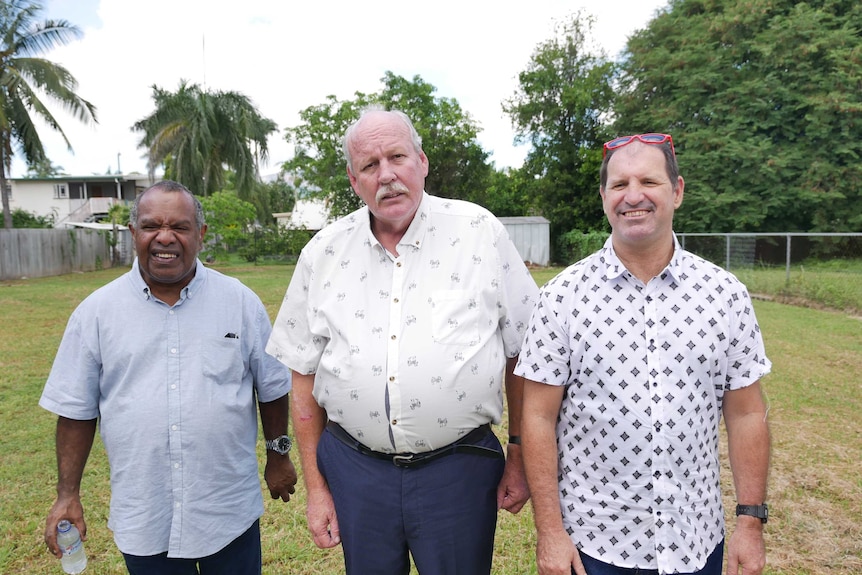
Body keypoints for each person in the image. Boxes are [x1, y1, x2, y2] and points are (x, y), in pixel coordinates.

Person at [266, 108, 539, 574]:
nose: (387, 175)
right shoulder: (323, 252)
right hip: (355, 469)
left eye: (397, 156)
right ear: (354, 182)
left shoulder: (479, 233)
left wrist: (518, 451)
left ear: (423, 161)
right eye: (370, 166)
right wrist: (317, 488)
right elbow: (302, 372)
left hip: (459, 468)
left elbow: (522, 351)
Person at [516, 133, 772, 575]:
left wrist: (750, 521)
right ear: (603, 197)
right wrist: (550, 532)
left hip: (696, 539)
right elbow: (537, 417)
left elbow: (747, 414)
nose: (633, 196)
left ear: (677, 191)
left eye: (649, 182)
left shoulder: (725, 295)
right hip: (594, 545)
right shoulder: (561, 298)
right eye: (619, 185)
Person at [40, 180, 298, 575]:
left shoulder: (240, 302)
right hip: (145, 512)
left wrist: (278, 454)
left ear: (201, 235)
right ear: (133, 234)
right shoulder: (96, 313)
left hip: (226, 509)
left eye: (179, 226)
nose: (165, 237)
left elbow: (273, 387)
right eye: (151, 226)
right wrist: (67, 494)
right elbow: (76, 409)